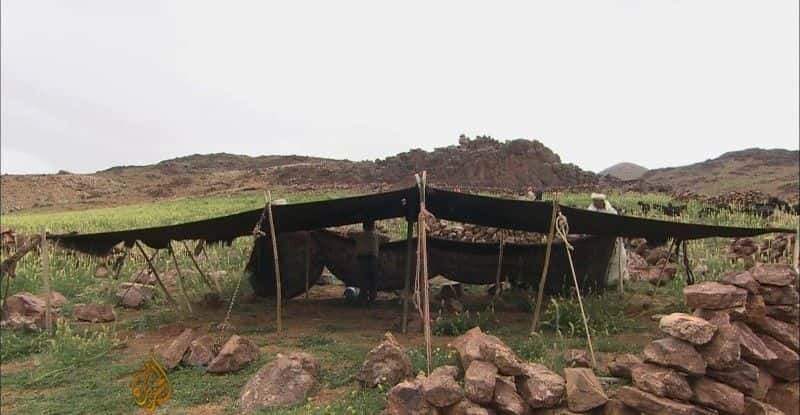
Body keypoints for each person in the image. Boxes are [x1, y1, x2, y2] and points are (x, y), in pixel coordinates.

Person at [587, 193, 628, 287]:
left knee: (617, 258)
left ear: (602, 201)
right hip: (595, 240)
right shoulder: (590, 210)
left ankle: (613, 281)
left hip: (611, 240)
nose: (596, 202)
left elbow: (615, 227)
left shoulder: (611, 212)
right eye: (594, 201)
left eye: (598, 201)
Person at [348, 220, 390, 304]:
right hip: (373, 260)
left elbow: (349, 233)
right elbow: (388, 239)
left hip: (362, 260)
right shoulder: (377, 235)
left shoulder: (359, 235)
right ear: (373, 226)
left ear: (363, 226)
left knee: (363, 279)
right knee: (373, 280)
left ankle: (362, 298)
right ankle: (372, 299)